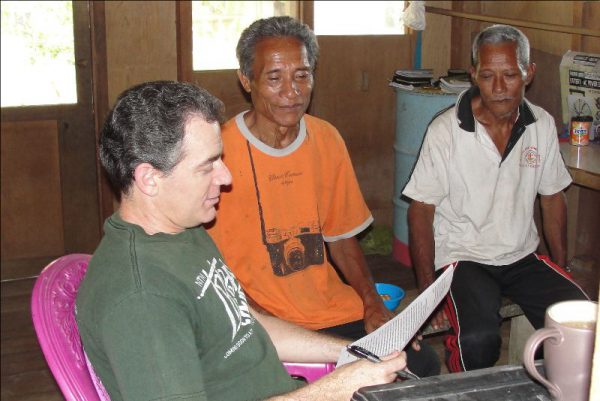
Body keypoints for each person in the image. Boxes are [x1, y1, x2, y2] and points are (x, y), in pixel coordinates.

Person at [75, 81, 407, 401]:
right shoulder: (142, 297)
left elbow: (245, 323)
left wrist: (352, 352)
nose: (226, 176)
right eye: (207, 166)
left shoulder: (184, 229)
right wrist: (331, 391)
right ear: (149, 179)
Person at [206, 16, 439, 377]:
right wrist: (257, 317)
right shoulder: (218, 152)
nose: (292, 91)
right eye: (274, 78)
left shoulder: (326, 138)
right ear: (245, 80)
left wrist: (372, 303)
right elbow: (208, 265)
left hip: (329, 311)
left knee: (419, 363)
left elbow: (342, 238)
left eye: (302, 75)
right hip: (258, 318)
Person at [403, 24, 590, 373]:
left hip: (521, 256)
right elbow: (420, 211)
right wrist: (428, 292)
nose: (499, 88)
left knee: (581, 319)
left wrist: (562, 267)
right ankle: (466, 393)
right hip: (463, 257)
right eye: (487, 76)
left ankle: (544, 384)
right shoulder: (446, 131)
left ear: (528, 73)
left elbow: (552, 199)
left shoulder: (542, 126)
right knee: (478, 339)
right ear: (474, 74)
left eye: (510, 75)